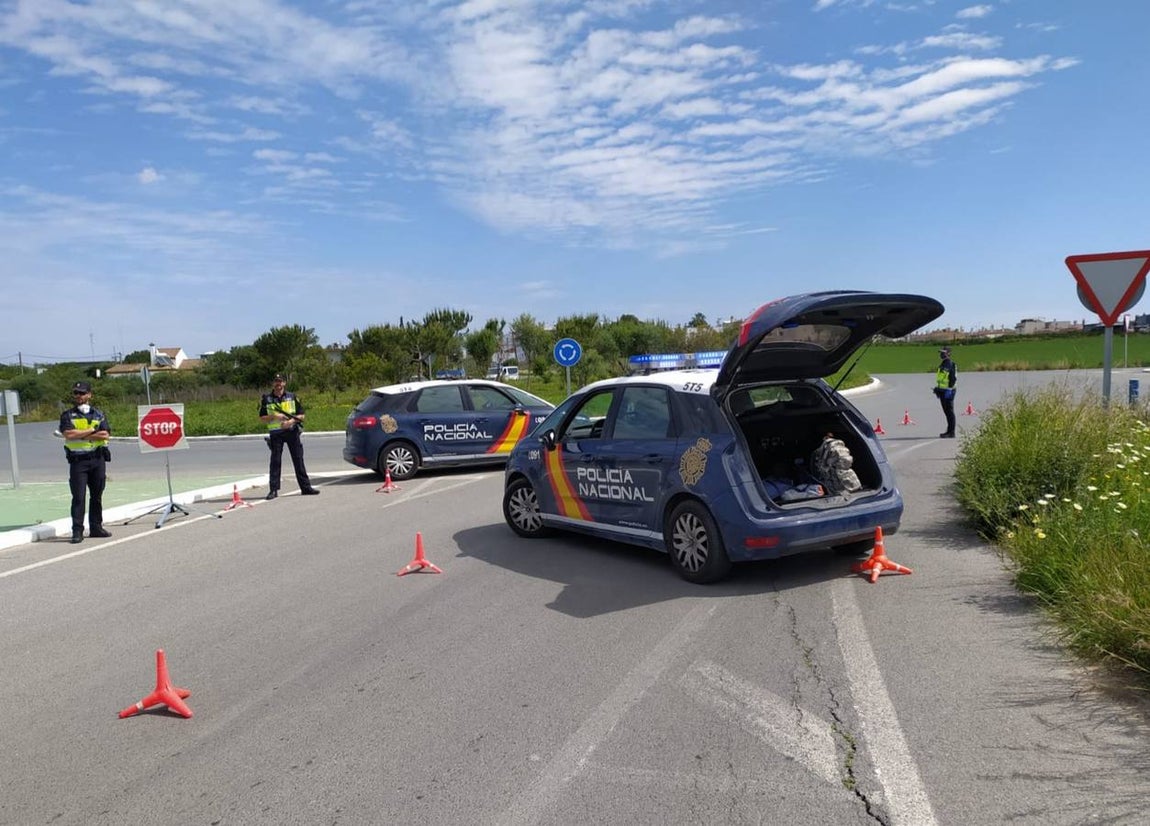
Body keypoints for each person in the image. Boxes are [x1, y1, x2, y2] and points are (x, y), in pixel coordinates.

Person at [60, 380, 113, 543]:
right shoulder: (67, 415)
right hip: (78, 462)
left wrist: (80, 433)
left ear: (89, 395)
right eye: (76, 393)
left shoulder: (98, 414)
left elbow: (104, 434)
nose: (79, 396)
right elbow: (68, 434)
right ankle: (77, 531)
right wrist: (91, 431)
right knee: (78, 497)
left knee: (97, 495)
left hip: (97, 459)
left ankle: (96, 527)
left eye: (82, 393)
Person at [259, 373, 320, 499]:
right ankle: (273, 490)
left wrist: (291, 422)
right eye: (276, 381)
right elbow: (262, 418)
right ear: (273, 383)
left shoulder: (292, 397)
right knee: (275, 462)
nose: (278, 384)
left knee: (298, 460)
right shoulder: (267, 399)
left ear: (284, 383)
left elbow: (302, 415)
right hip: (276, 434)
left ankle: (306, 488)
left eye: (280, 381)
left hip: (292, 432)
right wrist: (274, 416)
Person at [934, 347, 957, 438]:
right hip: (943, 390)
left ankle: (951, 432)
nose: (941, 354)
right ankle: (949, 431)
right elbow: (942, 378)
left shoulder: (950, 364)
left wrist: (950, 389)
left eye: (943, 353)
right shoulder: (943, 364)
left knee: (949, 412)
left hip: (948, 391)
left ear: (948, 354)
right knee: (947, 412)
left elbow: (952, 378)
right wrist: (938, 388)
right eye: (941, 352)